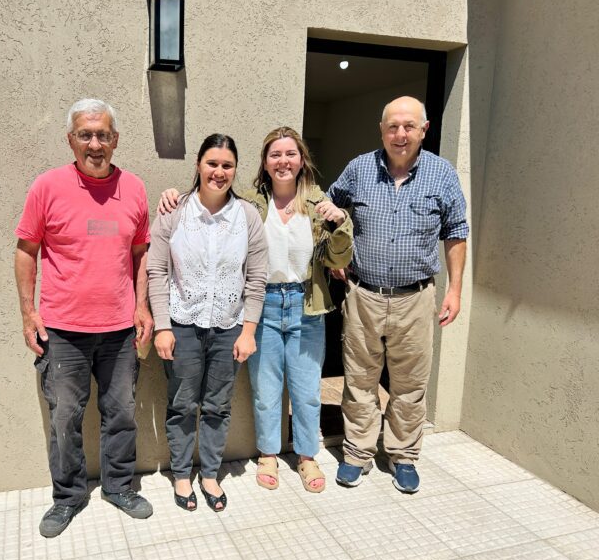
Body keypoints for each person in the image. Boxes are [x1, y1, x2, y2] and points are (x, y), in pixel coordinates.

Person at [156, 127, 353, 494]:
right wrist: (173, 194)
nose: (283, 161)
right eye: (275, 155)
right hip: (262, 305)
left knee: (308, 388)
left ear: (301, 159)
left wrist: (341, 224)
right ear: (264, 162)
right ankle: (268, 454)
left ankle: (308, 456)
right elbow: (210, 200)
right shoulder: (249, 203)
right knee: (266, 388)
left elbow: (338, 257)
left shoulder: (318, 203)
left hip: (306, 305)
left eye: (290, 154)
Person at [14, 98, 154, 538]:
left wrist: (141, 305)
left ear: (115, 140)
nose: (95, 144)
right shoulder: (47, 187)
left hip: (118, 329)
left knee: (122, 413)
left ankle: (118, 486)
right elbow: (26, 250)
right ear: (71, 140)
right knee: (64, 418)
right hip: (62, 332)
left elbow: (141, 252)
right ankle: (68, 498)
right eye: (85, 135)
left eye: (103, 135)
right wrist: (27, 312)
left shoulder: (133, 188)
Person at [327, 96, 469, 494]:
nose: (400, 134)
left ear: (424, 130)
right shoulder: (358, 169)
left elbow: (456, 234)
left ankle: (403, 455)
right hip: (363, 295)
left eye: (409, 126)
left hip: (416, 298)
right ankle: (358, 452)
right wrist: (332, 254)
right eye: (392, 126)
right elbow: (327, 207)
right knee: (359, 379)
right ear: (382, 129)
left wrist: (455, 291)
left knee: (409, 383)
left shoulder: (442, 175)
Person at [147, 134, 267, 512]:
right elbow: (156, 270)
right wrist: (162, 326)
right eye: (212, 163)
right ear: (198, 165)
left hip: (228, 328)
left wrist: (248, 331)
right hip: (182, 325)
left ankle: (210, 474)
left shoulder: (247, 216)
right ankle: (182, 475)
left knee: (218, 406)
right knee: (183, 404)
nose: (219, 172)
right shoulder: (173, 212)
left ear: (235, 170)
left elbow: (257, 277)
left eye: (227, 165)